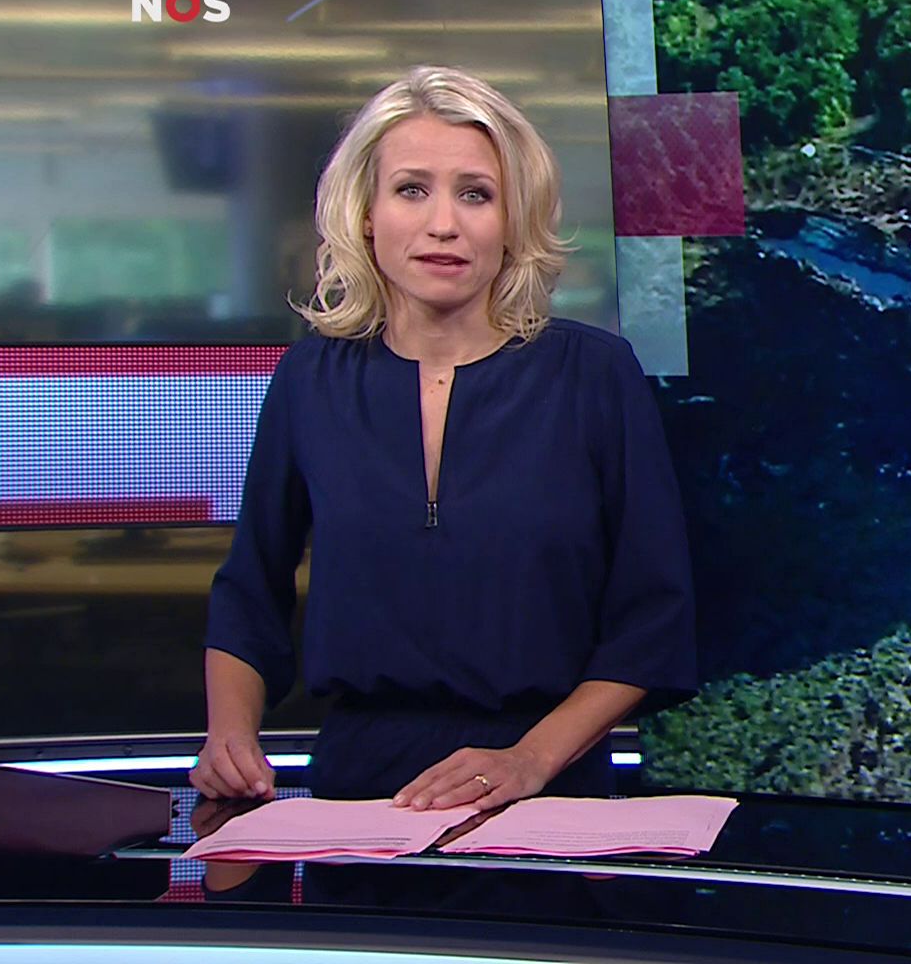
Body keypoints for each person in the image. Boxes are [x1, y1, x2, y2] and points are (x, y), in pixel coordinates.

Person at [190, 64, 696, 813]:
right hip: (359, 792)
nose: (443, 225)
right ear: (366, 213)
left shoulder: (594, 375)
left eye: (476, 194)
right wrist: (229, 735)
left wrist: (529, 761)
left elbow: (654, 615)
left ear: (513, 221)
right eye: (411, 190)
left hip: (547, 787)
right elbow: (250, 589)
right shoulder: (310, 378)